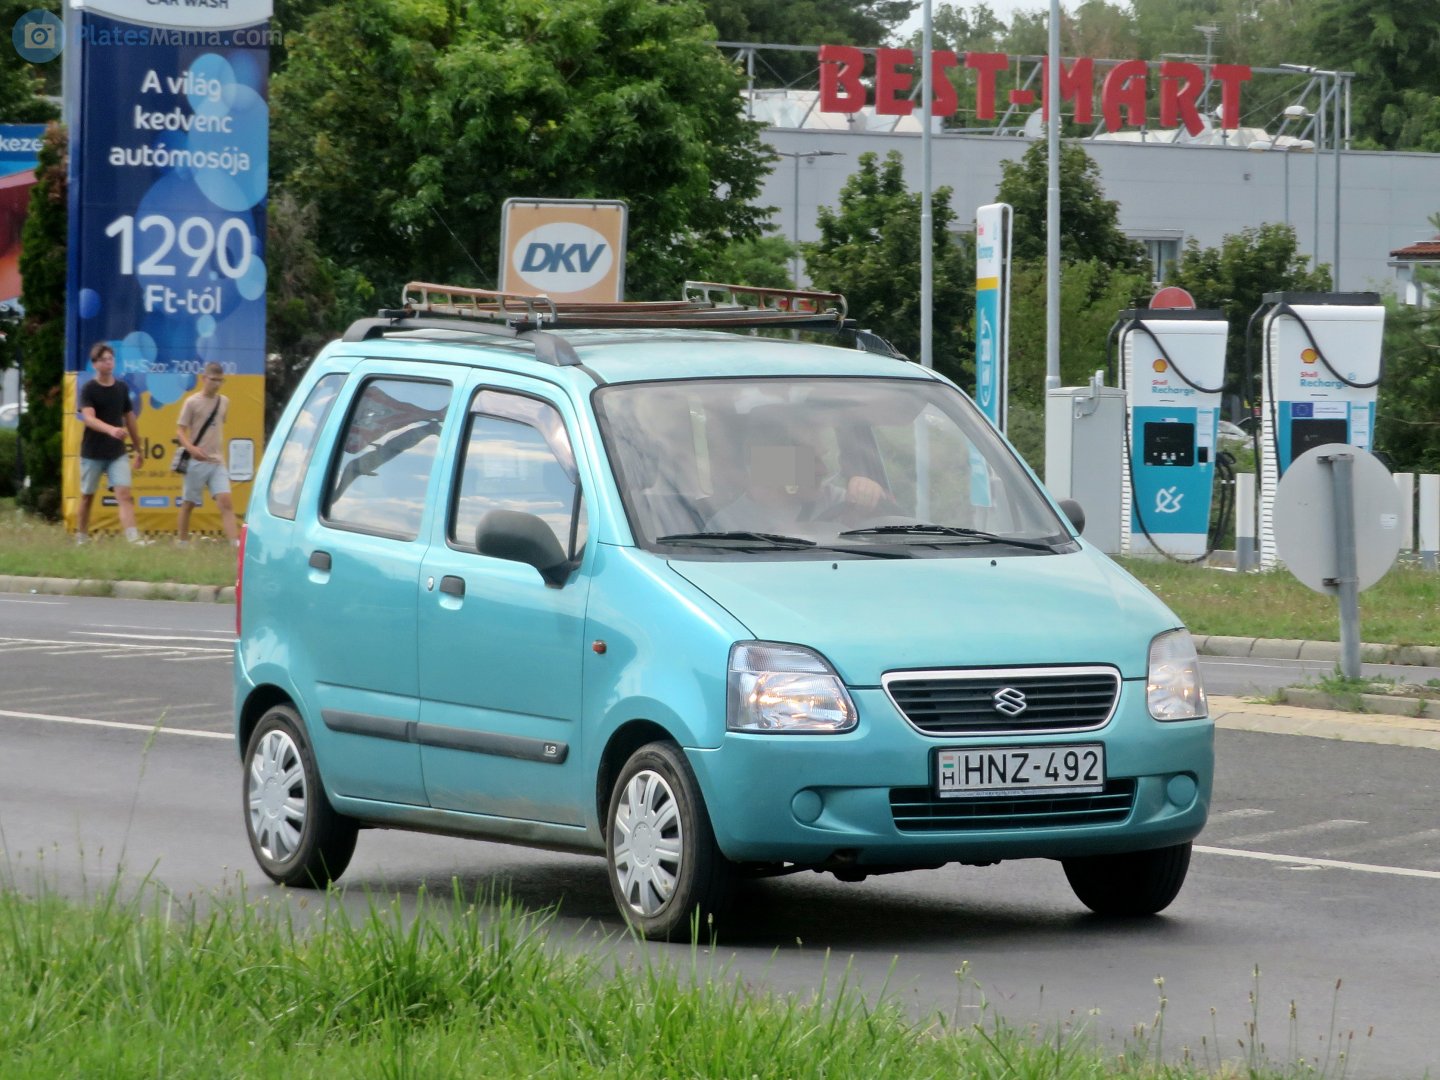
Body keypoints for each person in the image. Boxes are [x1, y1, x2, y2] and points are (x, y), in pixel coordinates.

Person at [706, 408, 889, 533]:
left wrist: (871, 496)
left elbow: (894, 526)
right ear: (773, 464)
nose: (823, 470)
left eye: (821, 458)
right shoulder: (726, 526)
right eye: (811, 461)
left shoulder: (837, 500)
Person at [76, 341, 148, 545]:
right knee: (87, 496)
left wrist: (138, 448)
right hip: (92, 452)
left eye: (111, 359)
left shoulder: (121, 387)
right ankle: (81, 537)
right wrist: (111, 429)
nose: (109, 363)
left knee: (124, 494)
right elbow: (88, 418)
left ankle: (133, 539)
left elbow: (130, 417)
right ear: (95, 364)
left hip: (117, 453)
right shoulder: (89, 388)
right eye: (104, 360)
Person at [175, 361, 238, 545]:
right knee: (188, 504)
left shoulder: (224, 401)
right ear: (204, 378)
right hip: (196, 461)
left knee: (226, 502)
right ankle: (183, 543)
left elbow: (218, 426)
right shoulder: (192, 402)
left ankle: (235, 545)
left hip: (217, 461)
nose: (217, 384)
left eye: (220, 381)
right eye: (213, 380)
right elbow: (180, 431)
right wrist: (192, 449)